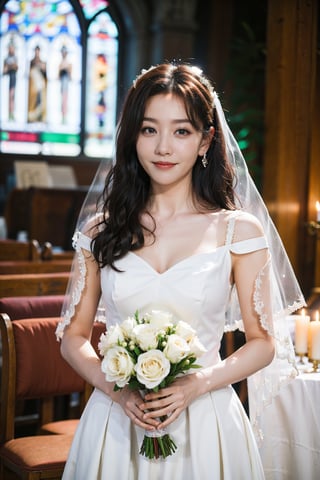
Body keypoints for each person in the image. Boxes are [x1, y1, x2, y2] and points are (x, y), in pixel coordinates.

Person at [56, 63, 305, 479]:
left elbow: (262, 342)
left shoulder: (238, 231)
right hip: (117, 423)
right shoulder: (102, 230)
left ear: (206, 139)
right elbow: (73, 337)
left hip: (206, 421)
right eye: (149, 130)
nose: (163, 148)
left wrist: (197, 383)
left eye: (182, 131)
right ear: (133, 135)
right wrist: (117, 391)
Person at [28, 45, 47, 122]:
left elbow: (45, 74)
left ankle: (40, 117)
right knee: (33, 101)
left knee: (40, 101)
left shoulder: (42, 62)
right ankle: (32, 117)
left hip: (40, 86)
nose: (37, 52)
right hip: (33, 87)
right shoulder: (32, 62)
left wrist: (42, 67)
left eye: (38, 51)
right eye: (36, 51)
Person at [3, 38, 18, 121]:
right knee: (9, 96)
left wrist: (10, 66)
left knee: (12, 96)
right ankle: (9, 114)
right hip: (7, 80)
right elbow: (4, 70)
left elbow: (16, 67)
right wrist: (10, 66)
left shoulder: (15, 58)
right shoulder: (6, 59)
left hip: (13, 79)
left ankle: (12, 113)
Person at [58, 45, 72, 123]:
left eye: (65, 52)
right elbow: (58, 76)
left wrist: (66, 69)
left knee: (65, 101)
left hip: (67, 85)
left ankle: (65, 116)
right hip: (62, 85)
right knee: (62, 101)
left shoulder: (69, 64)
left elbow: (70, 77)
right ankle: (62, 116)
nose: (63, 54)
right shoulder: (60, 63)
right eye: (62, 52)